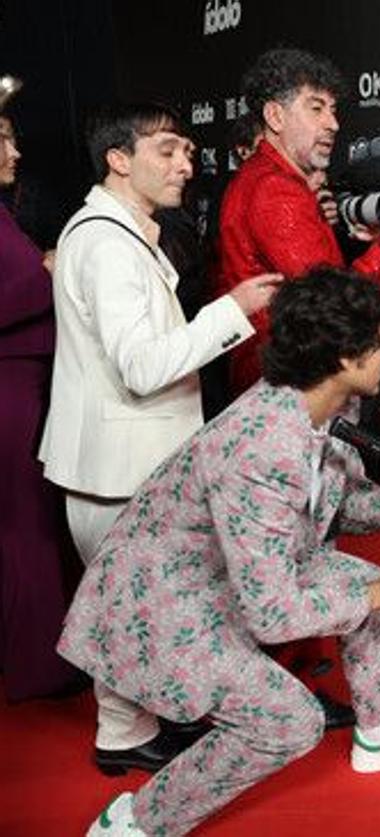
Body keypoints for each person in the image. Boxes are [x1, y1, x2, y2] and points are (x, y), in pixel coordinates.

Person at [66, 268, 380, 837]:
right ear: (344, 359)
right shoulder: (263, 443)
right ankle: (134, 823)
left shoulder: (309, 407)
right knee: (289, 721)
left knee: (358, 581)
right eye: (378, 345)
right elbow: (271, 615)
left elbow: (319, 504)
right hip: (158, 607)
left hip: (218, 576)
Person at [38, 102, 279, 773]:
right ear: (119, 158)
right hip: (120, 470)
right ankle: (127, 733)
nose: (185, 165)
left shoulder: (115, 233)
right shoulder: (108, 242)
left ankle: (126, 731)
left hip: (121, 464)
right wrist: (233, 310)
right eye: (168, 150)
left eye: (189, 152)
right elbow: (143, 367)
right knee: (143, 606)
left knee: (129, 603)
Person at [217, 47, 380, 396]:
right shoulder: (273, 189)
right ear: (275, 116)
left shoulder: (270, 178)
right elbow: (334, 305)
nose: (333, 124)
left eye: (333, 110)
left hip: (282, 378)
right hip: (287, 387)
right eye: (316, 108)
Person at [0, 95, 85, 701]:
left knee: (28, 525)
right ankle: (38, 668)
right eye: (2, 140)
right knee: (25, 527)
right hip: (9, 390)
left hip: (26, 384)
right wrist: (49, 272)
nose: (16, 151)